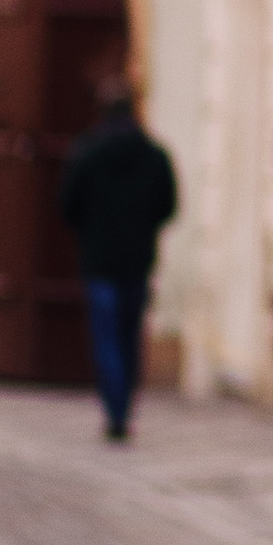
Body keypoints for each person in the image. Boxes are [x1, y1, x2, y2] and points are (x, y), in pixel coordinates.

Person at [58, 72, 179, 443]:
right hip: (138, 260)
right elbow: (169, 206)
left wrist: (93, 228)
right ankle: (127, 404)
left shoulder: (86, 152)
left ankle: (115, 411)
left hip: (99, 261)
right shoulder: (154, 155)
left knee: (107, 337)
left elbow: (67, 205)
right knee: (130, 336)